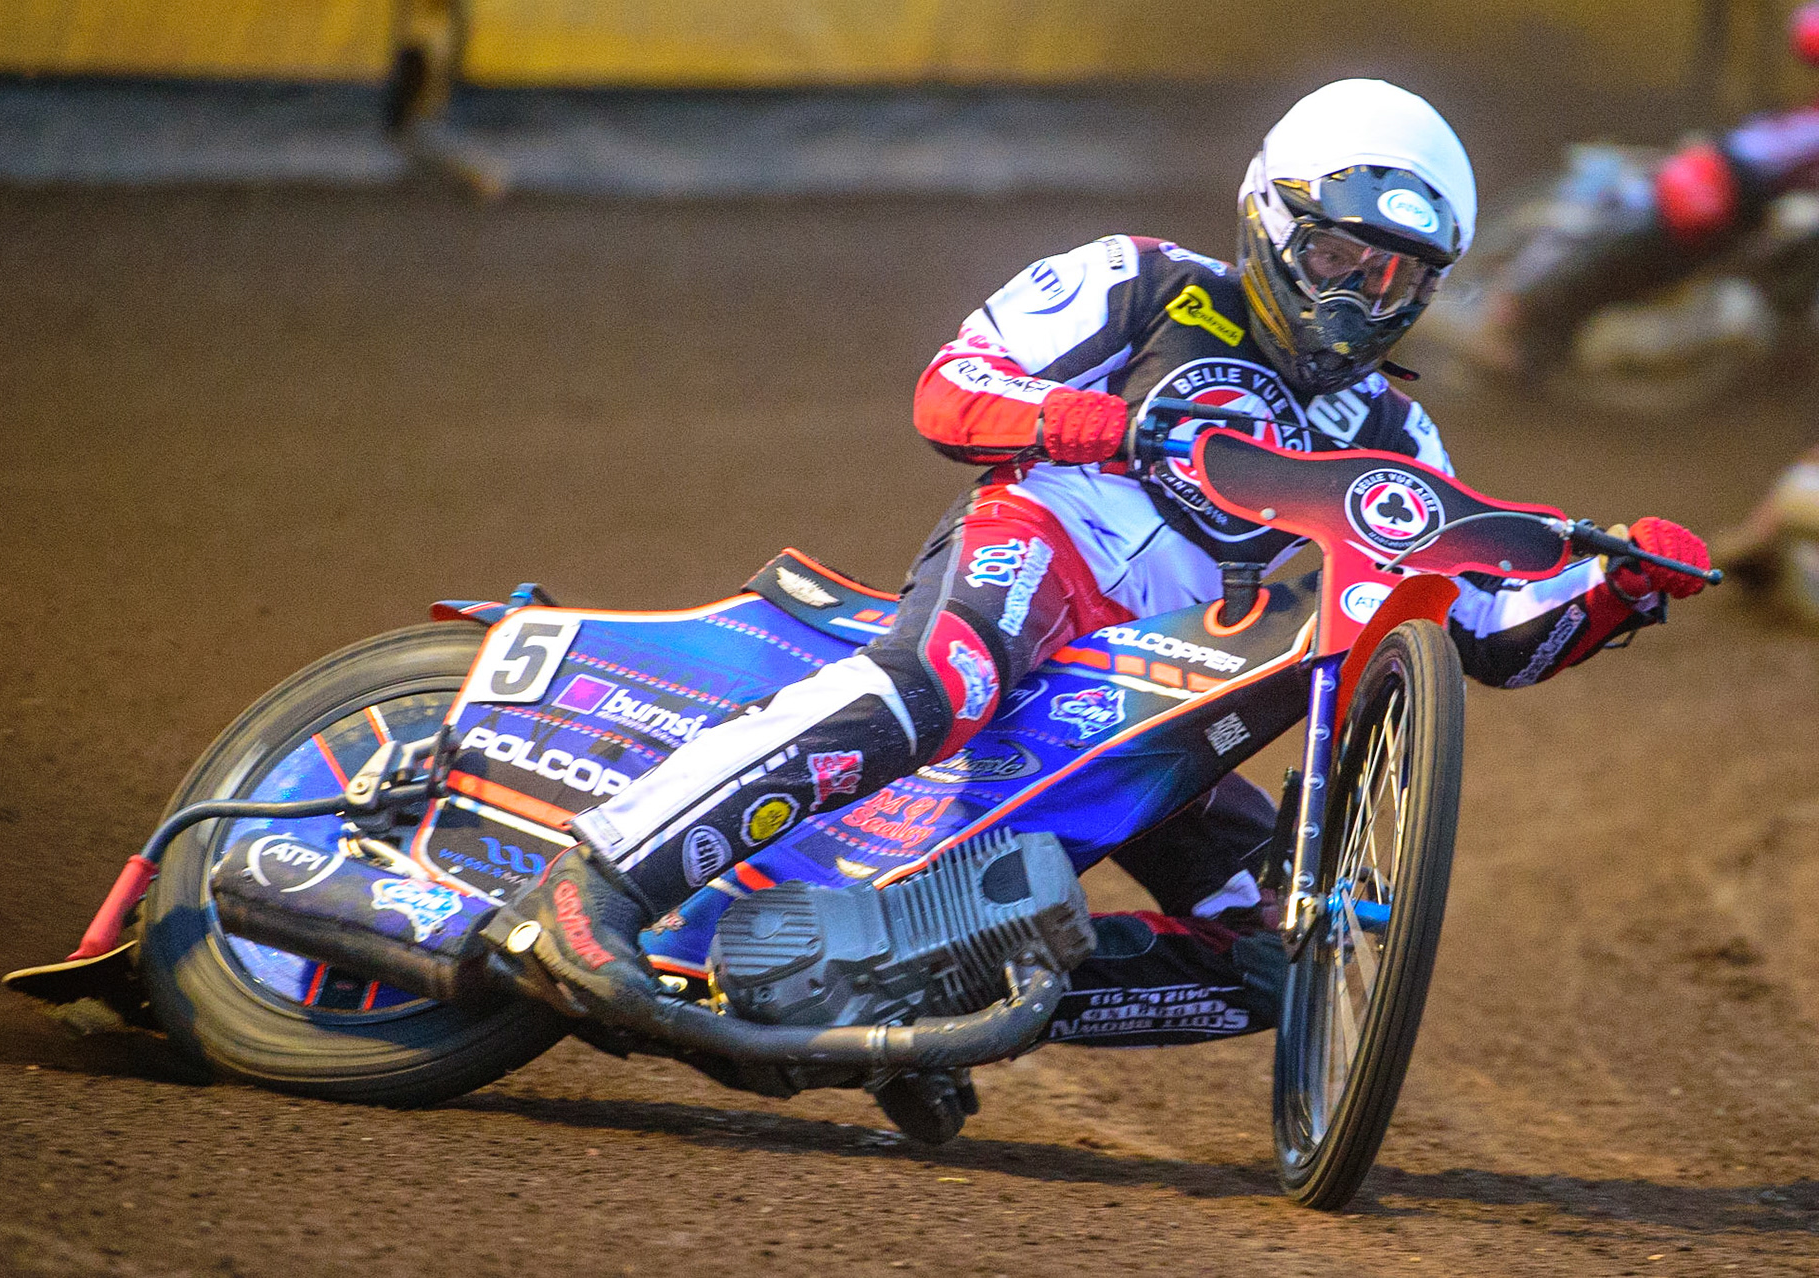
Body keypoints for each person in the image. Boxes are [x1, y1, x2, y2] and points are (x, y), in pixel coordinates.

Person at [505, 80, 1711, 1056]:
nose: (1360, 298)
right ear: (1275, 224)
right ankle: (597, 882)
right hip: (1041, 547)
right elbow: (949, 390)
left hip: (1173, 684)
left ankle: (916, 1004)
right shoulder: (1142, 280)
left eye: (1395, 276)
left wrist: (1618, 596)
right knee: (945, 681)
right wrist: (1104, 427)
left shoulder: (1398, 438)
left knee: (1271, 954)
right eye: (1344, 256)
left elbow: (1494, 635)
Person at [1470, 1, 1819, 374]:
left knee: (1631, 247)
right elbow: (1807, 30)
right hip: (1718, 181)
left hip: (1728, 185)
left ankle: (1528, 322)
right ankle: (1521, 317)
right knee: (1624, 245)